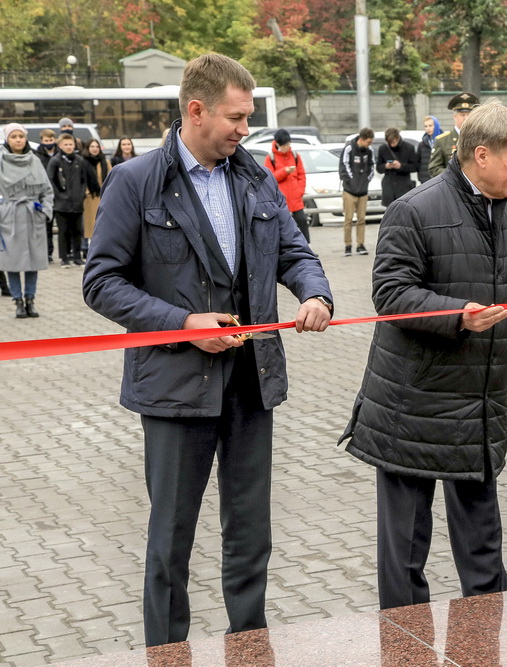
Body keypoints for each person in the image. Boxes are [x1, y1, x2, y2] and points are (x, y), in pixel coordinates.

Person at [81, 53, 334, 647]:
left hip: (252, 379)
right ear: (196, 111)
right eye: (237, 117)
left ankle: (249, 646)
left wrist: (315, 293)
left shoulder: (255, 176)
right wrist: (182, 322)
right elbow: (101, 282)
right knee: (171, 537)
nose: (246, 129)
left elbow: (295, 250)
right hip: (174, 387)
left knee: (251, 534)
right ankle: (168, 653)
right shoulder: (136, 180)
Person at [338, 100, 507, 610]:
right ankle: (406, 646)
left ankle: (491, 642)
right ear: (480, 155)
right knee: (404, 555)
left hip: (478, 405)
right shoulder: (415, 209)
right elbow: (391, 294)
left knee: (483, 548)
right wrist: (457, 315)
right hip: (410, 409)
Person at [0, 123, 54, 318]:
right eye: (13, 136)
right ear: (7, 139)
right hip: (9, 217)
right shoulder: (1, 160)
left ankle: (31, 299)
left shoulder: (35, 160)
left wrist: (44, 211)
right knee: (11, 263)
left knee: (33, 261)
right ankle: (18, 301)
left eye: (20, 136)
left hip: (33, 216)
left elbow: (47, 191)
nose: (17, 140)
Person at [47, 132, 98, 267]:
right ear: (60, 145)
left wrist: (80, 195)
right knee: (63, 231)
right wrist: (59, 195)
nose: (69, 147)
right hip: (61, 203)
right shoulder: (55, 161)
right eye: (66, 145)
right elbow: (51, 181)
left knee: (77, 231)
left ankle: (77, 256)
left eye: (71, 144)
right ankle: (64, 257)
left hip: (76, 202)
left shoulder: (79, 161)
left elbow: (83, 180)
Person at [263, 129, 309, 242]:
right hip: (281, 198)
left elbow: (302, 175)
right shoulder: (270, 158)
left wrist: (300, 190)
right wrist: (285, 171)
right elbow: (270, 178)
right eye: (284, 145)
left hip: (295, 196)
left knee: (302, 221)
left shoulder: (295, 156)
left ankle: (307, 247)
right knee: (284, 225)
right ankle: (288, 248)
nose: (287, 147)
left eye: (288, 144)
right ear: (278, 144)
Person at [339, 127, 375, 256]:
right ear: (362, 139)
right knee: (348, 219)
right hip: (349, 191)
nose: (369, 145)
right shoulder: (349, 149)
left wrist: (365, 181)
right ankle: (348, 245)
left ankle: (361, 244)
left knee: (361, 219)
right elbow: (344, 167)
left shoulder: (369, 150)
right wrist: (352, 181)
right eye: (368, 142)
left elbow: (372, 167)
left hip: (363, 191)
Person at [428, 92, 479, 177]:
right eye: (462, 115)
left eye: (469, 114)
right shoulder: (442, 140)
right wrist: (455, 175)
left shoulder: (482, 138)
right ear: (455, 117)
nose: (466, 118)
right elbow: (434, 168)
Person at [376, 127, 418, 207]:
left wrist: (401, 166)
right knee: (390, 212)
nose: (392, 144)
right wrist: (386, 166)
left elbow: (414, 167)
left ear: (398, 138)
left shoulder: (409, 148)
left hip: (404, 185)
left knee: (404, 211)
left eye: (394, 142)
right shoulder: (383, 149)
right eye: (389, 142)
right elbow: (378, 168)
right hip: (389, 186)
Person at [35, 129, 60, 262]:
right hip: (43, 195)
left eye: (51, 140)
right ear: (42, 141)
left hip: (60, 195)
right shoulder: (37, 156)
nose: (49, 143)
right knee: (47, 227)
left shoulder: (60, 154)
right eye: (46, 141)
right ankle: (48, 253)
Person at [82, 138, 110, 258]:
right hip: (89, 198)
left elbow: (111, 179)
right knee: (88, 226)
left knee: (102, 225)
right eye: (92, 146)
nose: (94, 149)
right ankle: (85, 250)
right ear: (88, 148)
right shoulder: (83, 162)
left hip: (104, 197)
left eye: (97, 147)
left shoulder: (104, 162)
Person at [417, 115, 442, 184]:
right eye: (426, 126)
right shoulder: (422, 144)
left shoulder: (444, 141)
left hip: (440, 179)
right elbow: (418, 163)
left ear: (436, 125)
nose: (428, 128)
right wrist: (421, 178)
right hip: (426, 180)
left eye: (430, 125)